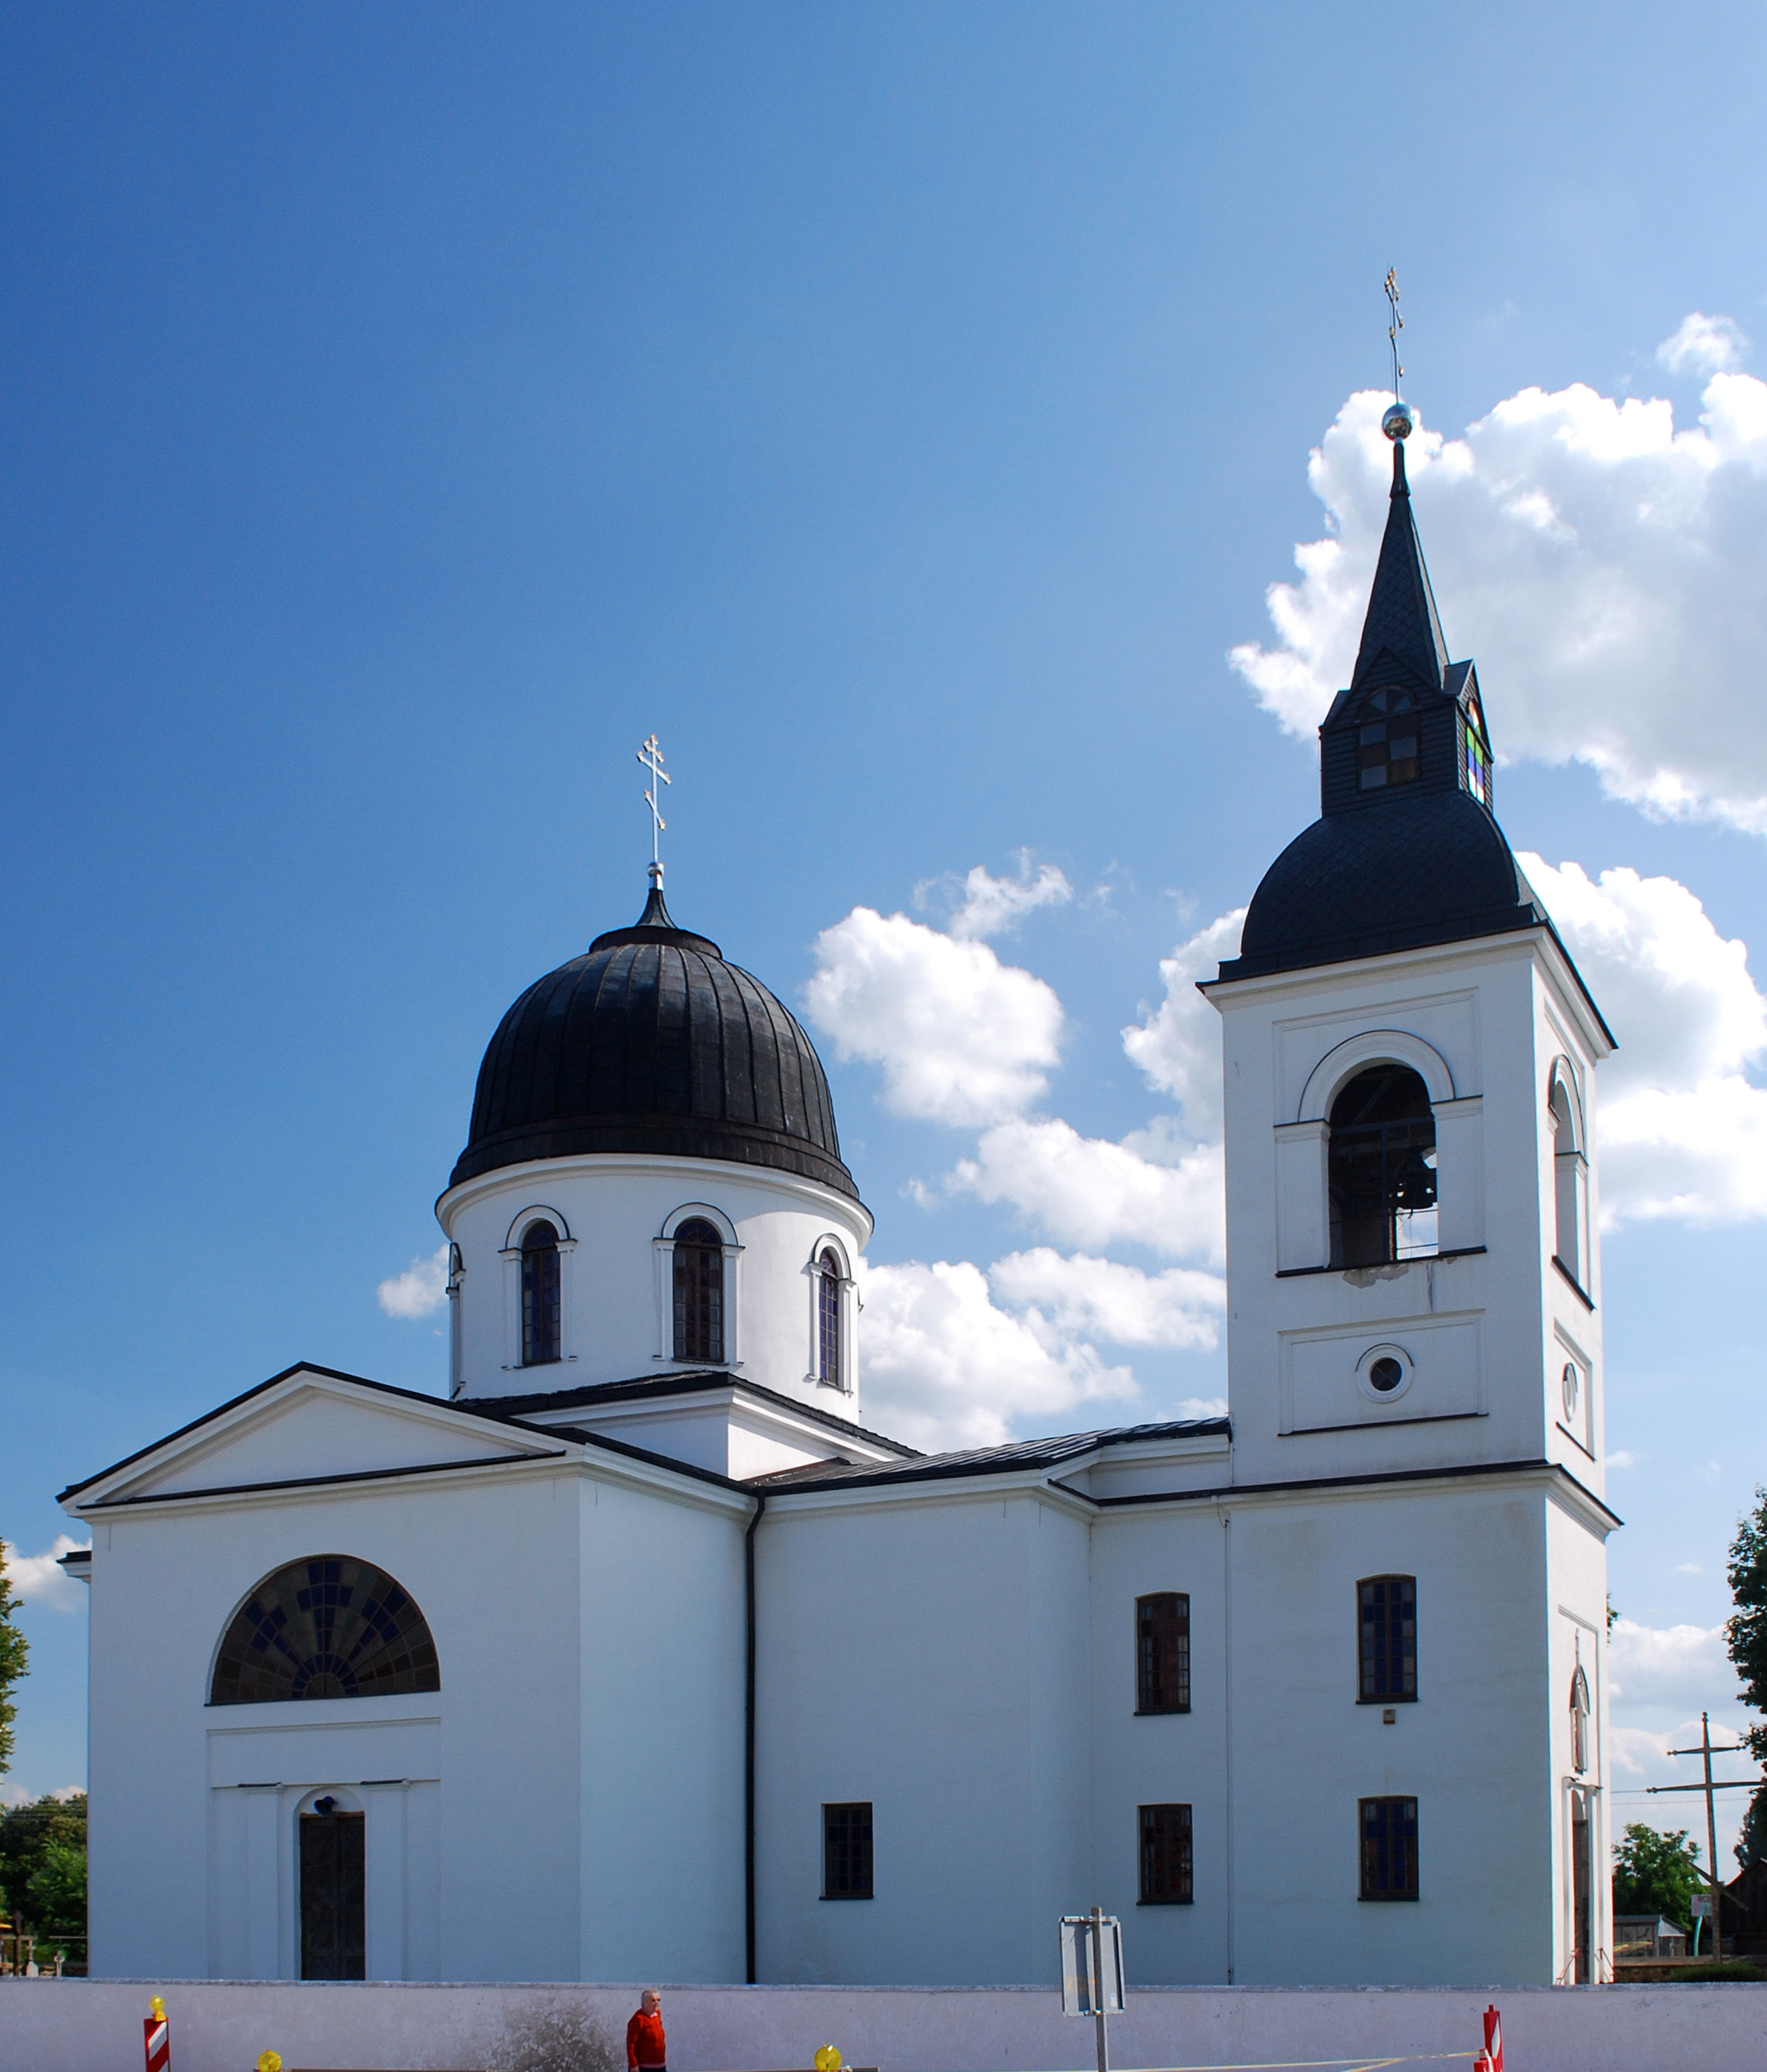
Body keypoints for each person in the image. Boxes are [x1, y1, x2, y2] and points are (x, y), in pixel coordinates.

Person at [627, 1988, 666, 2072]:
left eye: (659, 2000)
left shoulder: (657, 2014)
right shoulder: (638, 2019)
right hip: (644, 2068)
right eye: (653, 2000)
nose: (657, 2003)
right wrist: (633, 2065)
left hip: (660, 2066)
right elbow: (631, 2044)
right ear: (645, 2002)